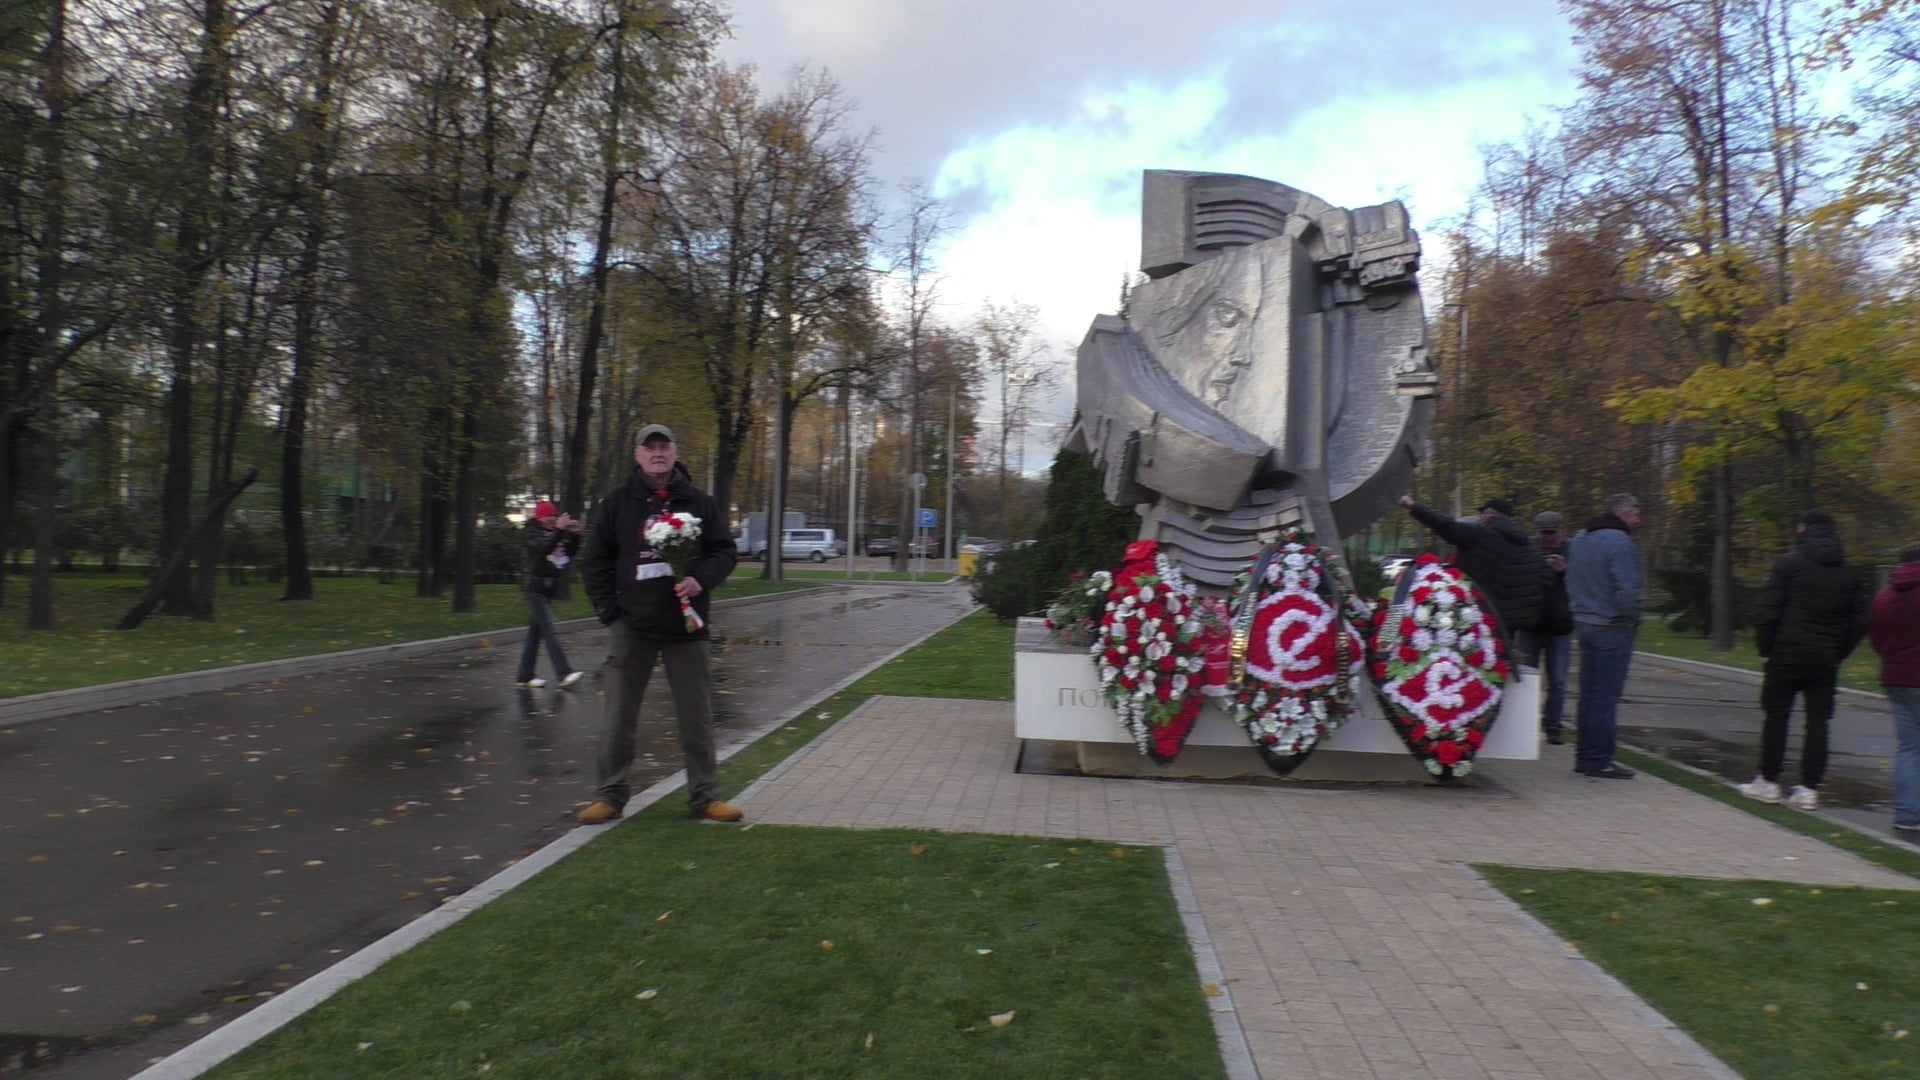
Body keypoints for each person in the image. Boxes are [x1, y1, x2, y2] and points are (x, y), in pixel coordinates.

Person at [576, 424, 743, 825]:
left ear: (674, 452)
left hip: (686, 627)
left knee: (696, 716)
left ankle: (705, 796)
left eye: (663, 447)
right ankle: (610, 795)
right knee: (619, 717)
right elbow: (595, 561)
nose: (657, 453)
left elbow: (724, 551)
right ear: (637, 455)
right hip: (632, 626)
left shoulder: (699, 503)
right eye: (649, 448)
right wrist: (611, 614)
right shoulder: (617, 503)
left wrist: (700, 578)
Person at [1737, 509, 1871, 811]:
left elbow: (1768, 611)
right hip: (1825, 657)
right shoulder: (1849, 573)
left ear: (1804, 529)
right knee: (1818, 723)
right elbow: (1860, 620)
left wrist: (1766, 646)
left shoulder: (1788, 565)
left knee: (1776, 717)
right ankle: (1809, 788)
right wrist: (1839, 650)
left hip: (1786, 651)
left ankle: (1768, 781)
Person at [1395, 495, 1545, 648]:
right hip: (1514, 620)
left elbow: (1445, 525)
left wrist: (1413, 506)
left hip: (1483, 616)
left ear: (1488, 515)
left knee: (1482, 660)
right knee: (1502, 659)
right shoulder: (1529, 545)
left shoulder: (1481, 534)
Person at [1565, 493, 1644, 780]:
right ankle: (1599, 759)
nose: (1638, 520)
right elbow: (1627, 589)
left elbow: (1571, 579)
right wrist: (1634, 617)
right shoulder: (1620, 543)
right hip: (1611, 625)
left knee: (1588, 694)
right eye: (1636, 513)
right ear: (1622, 513)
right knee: (1605, 696)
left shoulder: (1581, 539)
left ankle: (1585, 755)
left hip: (1585, 622)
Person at [1870, 543, 1920, 837]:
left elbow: (1877, 637)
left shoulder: (1885, 597)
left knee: (1909, 748)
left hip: (1897, 678)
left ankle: (1906, 814)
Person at [1514, 510, 1574, 745]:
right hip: (1531, 625)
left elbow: (1580, 585)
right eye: (1544, 533)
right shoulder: (1529, 549)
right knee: (1525, 677)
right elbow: (1519, 581)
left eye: (1552, 533)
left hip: (1560, 627)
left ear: (1562, 531)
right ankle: (1524, 723)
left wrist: (1564, 571)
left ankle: (1553, 726)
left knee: (1558, 680)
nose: (1548, 538)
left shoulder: (1573, 552)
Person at [516, 500, 585, 689]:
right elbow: (542, 548)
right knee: (549, 630)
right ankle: (563, 673)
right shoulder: (531, 532)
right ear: (539, 517)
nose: (553, 520)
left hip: (548, 588)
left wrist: (576, 535)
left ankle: (524, 676)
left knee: (534, 634)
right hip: (534, 587)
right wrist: (560, 531)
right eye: (550, 517)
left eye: (555, 517)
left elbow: (568, 553)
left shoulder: (553, 533)